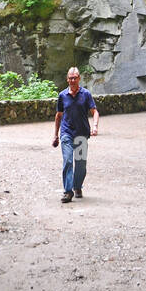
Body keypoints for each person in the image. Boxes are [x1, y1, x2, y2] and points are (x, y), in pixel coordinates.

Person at [53, 67, 99, 204]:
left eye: (75, 77)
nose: (72, 80)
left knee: (80, 164)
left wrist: (95, 126)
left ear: (79, 78)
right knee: (67, 161)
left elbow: (94, 111)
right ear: (67, 79)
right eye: (70, 78)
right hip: (66, 132)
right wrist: (55, 135)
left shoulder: (86, 94)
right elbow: (58, 116)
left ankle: (77, 186)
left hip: (81, 134)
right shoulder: (62, 96)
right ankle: (68, 191)